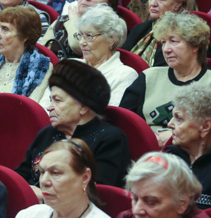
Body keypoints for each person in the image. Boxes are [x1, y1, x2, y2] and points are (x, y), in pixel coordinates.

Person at [121, 12, 211, 143]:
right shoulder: (148, 77)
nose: (166, 49)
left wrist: (174, 137)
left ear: (195, 45)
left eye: (173, 41)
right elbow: (124, 122)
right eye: (163, 42)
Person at [18, 59, 130, 193]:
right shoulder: (46, 133)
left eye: (57, 100)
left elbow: (99, 192)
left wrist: (42, 195)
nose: (49, 107)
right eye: (50, 100)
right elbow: (20, 177)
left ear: (83, 106)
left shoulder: (110, 139)